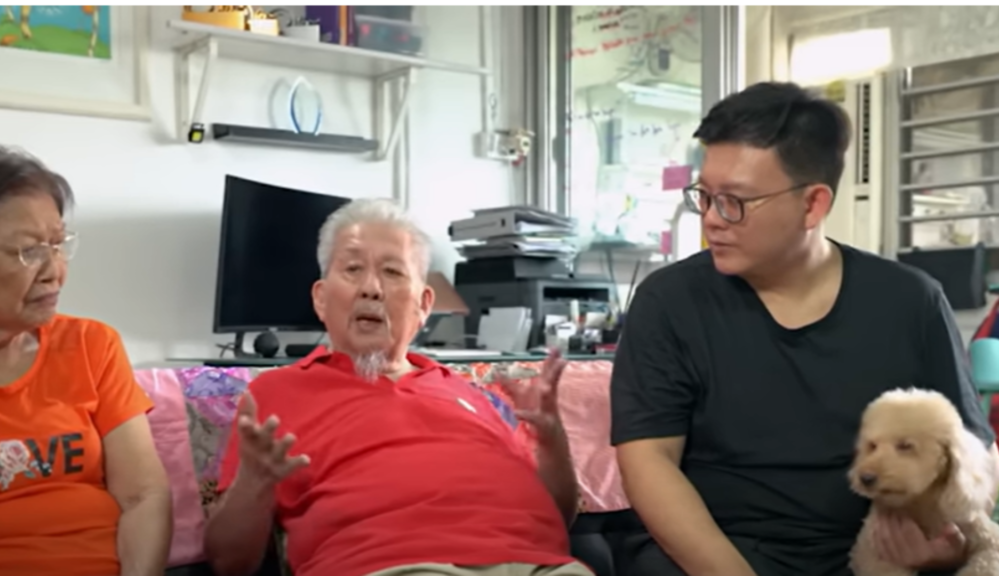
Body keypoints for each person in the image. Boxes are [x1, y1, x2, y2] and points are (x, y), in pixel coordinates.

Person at [610, 82, 999, 576]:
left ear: (813, 204)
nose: (712, 220)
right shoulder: (668, 303)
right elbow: (649, 462)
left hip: (870, 554)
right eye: (704, 196)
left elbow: (973, 454)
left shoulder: (910, 301)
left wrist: (946, 548)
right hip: (714, 556)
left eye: (734, 201)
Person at [204, 198, 588, 576]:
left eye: (392, 272)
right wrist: (253, 483)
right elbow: (229, 562)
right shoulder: (276, 393)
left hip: (543, 566)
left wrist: (552, 443)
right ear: (320, 299)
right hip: (398, 565)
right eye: (353, 269)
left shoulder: (474, 394)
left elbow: (557, 518)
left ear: (424, 305)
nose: (371, 288)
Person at [0, 142, 172, 575]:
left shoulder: (91, 345)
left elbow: (143, 495)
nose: (55, 271)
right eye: (29, 251)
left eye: (58, 244)